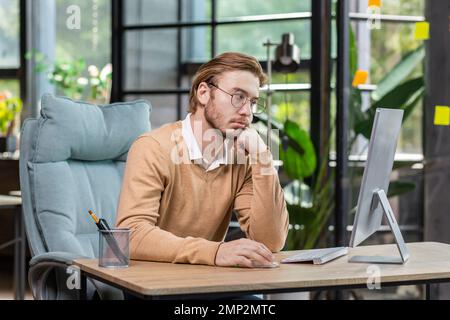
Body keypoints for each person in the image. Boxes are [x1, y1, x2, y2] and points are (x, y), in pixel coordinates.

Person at [116, 52, 289, 269]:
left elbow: (270, 242)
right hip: (153, 285)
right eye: (238, 96)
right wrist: (215, 251)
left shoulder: (242, 159)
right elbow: (131, 235)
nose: (247, 112)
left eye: (253, 102)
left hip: (208, 281)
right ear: (204, 93)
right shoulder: (153, 147)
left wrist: (263, 158)